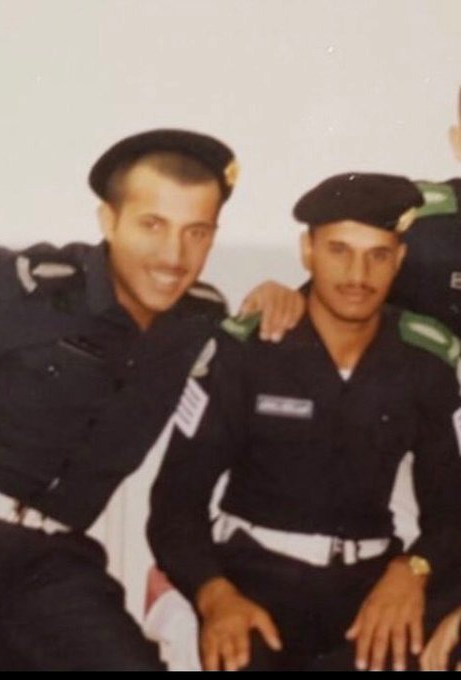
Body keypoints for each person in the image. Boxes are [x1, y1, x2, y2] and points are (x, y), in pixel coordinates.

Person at [0, 128, 301, 670]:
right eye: (152, 225)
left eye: (196, 233)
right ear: (109, 221)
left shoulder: (198, 322)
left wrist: (286, 294)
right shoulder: (26, 287)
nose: (173, 256)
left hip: (45, 567)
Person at [148, 172, 461, 671]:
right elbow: (174, 506)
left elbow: (449, 511)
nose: (358, 275)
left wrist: (412, 568)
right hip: (252, 580)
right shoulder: (247, 352)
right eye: (339, 251)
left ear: (399, 259)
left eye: (378, 256)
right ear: (307, 251)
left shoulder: (421, 362)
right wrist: (214, 595)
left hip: (368, 590)